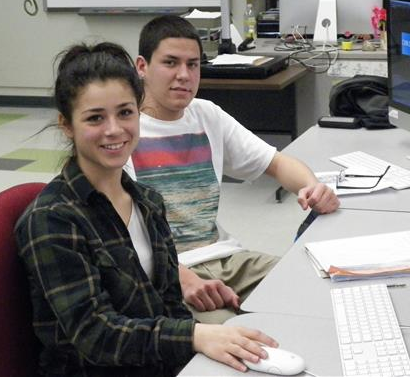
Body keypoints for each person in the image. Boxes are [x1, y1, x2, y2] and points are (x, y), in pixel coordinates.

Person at [15, 42, 278, 377]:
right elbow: (96, 336)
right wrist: (195, 337)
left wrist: (196, 349)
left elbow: (170, 306)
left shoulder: (147, 202)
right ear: (66, 125)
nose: (114, 129)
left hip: (154, 362)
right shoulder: (52, 219)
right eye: (95, 117)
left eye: (125, 112)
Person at [126, 15, 340, 324]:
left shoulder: (206, 114)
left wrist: (312, 186)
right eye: (170, 63)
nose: (184, 75)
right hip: (170, 273)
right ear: (142, 67)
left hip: (226, 257)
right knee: (241, 332)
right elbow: (122, 238)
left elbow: (277, 163)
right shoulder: (123, 131)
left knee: (316, 289)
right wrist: (179, 277)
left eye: (193, 64)